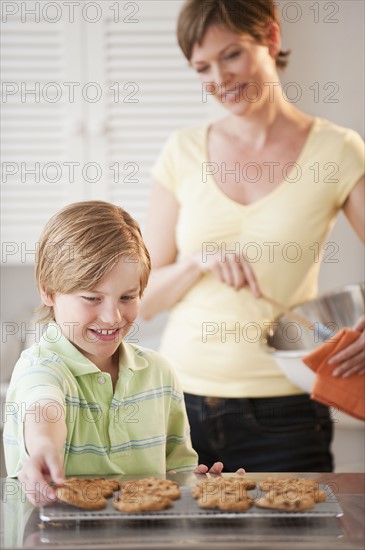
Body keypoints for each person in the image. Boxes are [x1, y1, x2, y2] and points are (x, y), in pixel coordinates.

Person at [140, 0, 365, 472]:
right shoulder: (181, 151)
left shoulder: (337, 149)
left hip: (286, 413)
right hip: (177, 406)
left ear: (271, 38)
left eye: (232, 54)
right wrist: (197, 260)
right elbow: (142, 300)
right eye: (201, 66)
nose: (218, 79)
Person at [3, 201, 239, 508]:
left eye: (127, 297)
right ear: (48, 291)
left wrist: (200, 484)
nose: (112, 317)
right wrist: (44, 447)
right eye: (92, 298)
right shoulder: (40, 366)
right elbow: (44, 408)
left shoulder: (159, 373)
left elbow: (176, 473)